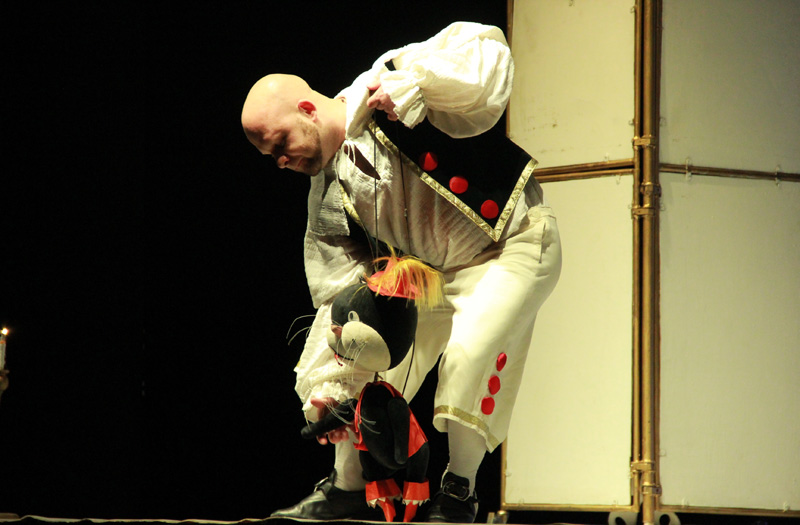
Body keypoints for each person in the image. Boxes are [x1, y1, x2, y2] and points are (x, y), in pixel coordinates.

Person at [241, 21, 562, 523]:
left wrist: (422, 85)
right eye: (270, 156)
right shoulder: (327, 194)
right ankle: (347, 488)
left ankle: (459, 491)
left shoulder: (390, 83)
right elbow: (343, 299)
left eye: (280, 142)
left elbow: (489, 54)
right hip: (432, 274)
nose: (280, 160)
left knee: (470, 353)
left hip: (511, 244)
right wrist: (333, 391)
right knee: (364, 358)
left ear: (307, 109)